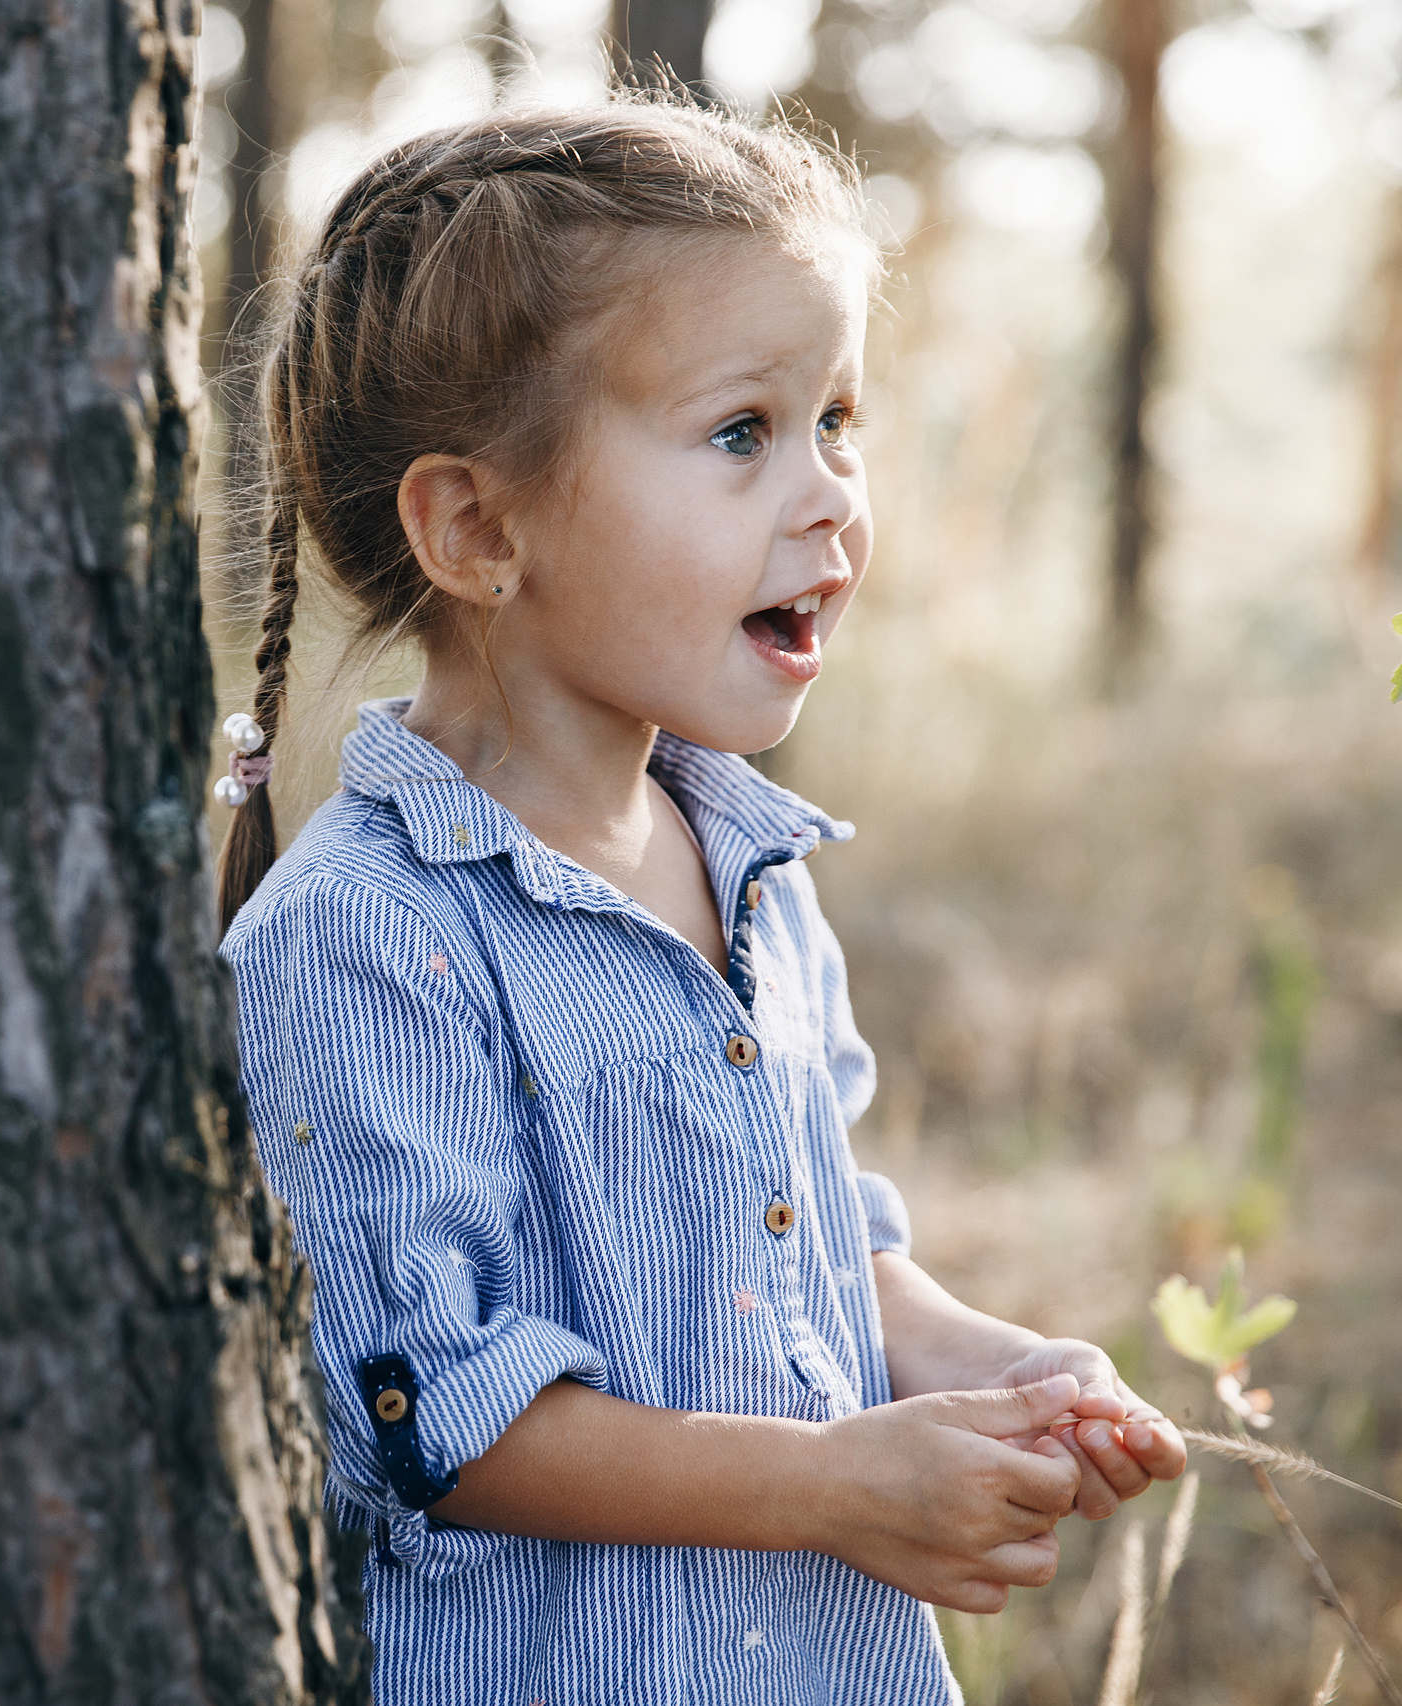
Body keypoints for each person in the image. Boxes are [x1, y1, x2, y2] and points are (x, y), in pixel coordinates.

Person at [211, 95, 1187, 1704]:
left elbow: (831, 1267)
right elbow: (431, 1414)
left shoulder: (754, 873)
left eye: (838, 421)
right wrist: (838, 1484)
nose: (828, 497)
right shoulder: (365, 934)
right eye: (743, 431)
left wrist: (1000, 1370)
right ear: (477, 526)